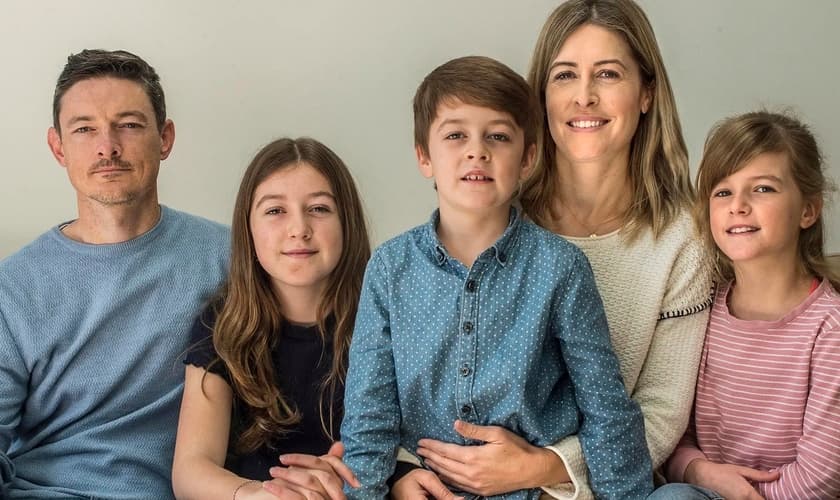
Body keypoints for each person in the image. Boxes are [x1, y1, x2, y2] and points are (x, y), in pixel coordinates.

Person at [399, 1, 713, 498]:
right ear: (539, 98)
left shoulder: (684, 240)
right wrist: (403, 471)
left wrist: (546, 469)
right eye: (565, 76)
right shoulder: (491, 212)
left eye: (607, 74)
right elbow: (428, 369)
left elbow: (658, 413)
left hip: (603, 480)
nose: (584, 97)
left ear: (647, 92)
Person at [341, 55, 652, 500]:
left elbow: (605, 406)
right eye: (455, 135)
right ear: (424, 157)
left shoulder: (561, 268)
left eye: (498, 136)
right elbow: (369, 414)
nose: (477, 151)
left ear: (527, 159)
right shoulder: (390, 268)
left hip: (535, 492)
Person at [0, 49, 230, 498]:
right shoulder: (13, 288)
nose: (107, 146)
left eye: (129, 124)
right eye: (84, 129)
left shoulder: (232, 258)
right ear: (57, 147)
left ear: (165, 138)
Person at [653, 111, 840, 500]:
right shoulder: (700, 306)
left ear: (808, 210)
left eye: (763, 189)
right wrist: (699, 471)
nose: (737, 205)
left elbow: (822, 476)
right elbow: (674, 434)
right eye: (722, 192)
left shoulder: (829, 328)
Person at [172, 137, 369, 500]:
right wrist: (261, 495)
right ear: (248, 228)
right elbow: (190, 470)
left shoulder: (381, 321)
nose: (299, 229)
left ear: (347, 222)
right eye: (275, 211)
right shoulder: (222, 325)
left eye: (319, 208)